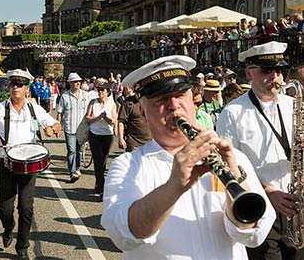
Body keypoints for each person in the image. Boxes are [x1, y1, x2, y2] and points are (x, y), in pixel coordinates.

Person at [101, 55, 275, 260]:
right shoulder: (127, 165)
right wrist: (174, 185)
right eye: (162, 100)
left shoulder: (233, 158)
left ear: (193, 102)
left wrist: (235, 177)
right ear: (143, 111)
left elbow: (254, 235)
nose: (174, 106)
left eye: (181, 95)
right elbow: (124, 236)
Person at [217, 41, 304, 259]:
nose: (275, 76)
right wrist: (268, 192)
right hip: (261, 206)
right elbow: (228, 167)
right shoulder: (233, 112)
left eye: (279, 70)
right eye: (267, 70)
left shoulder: (293, 104)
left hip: (297, 205)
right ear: (249, 73)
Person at [0, 69, 61, 260]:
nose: (16, 88)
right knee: (4, 209)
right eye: (13, 84)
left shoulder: (34, 109)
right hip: (6, 163)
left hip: (29, 165)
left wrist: (51, 128)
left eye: (20, 85)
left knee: (26, 208)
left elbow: (55, 124)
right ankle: (8, 227)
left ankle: (22, 246)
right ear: (8, 87)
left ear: (26, 88)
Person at [85, 78, 117, 201]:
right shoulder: (93, 102)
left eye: (103, 90)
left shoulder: (112, 104)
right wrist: (98, 117)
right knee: (98, 161)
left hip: (107, 136)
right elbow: (87, 118)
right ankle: (100, 187)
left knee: (103, 162)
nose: (100, 92)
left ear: (108, 91)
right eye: (99, 90)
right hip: (95, 135)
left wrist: (106, 118)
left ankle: (100, 183)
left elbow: (114, 120)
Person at [57, 72, 89, 182]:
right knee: (71, 150)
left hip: (82, 129)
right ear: (70, 83)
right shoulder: (65, 96)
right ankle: (72, 171)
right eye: (75, 81)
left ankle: (77, 168)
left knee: (80, 151)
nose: (78, 83)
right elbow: (60, 112)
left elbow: (90, 110)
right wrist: (58, 127)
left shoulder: (86, 95)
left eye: (79, 81)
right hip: (69, 127)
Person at [117, 86, 151, 152]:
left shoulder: (150, 102)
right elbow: (121, 121)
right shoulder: (128, 103)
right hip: (133, 144)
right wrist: (121, 139)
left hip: (150, 144)